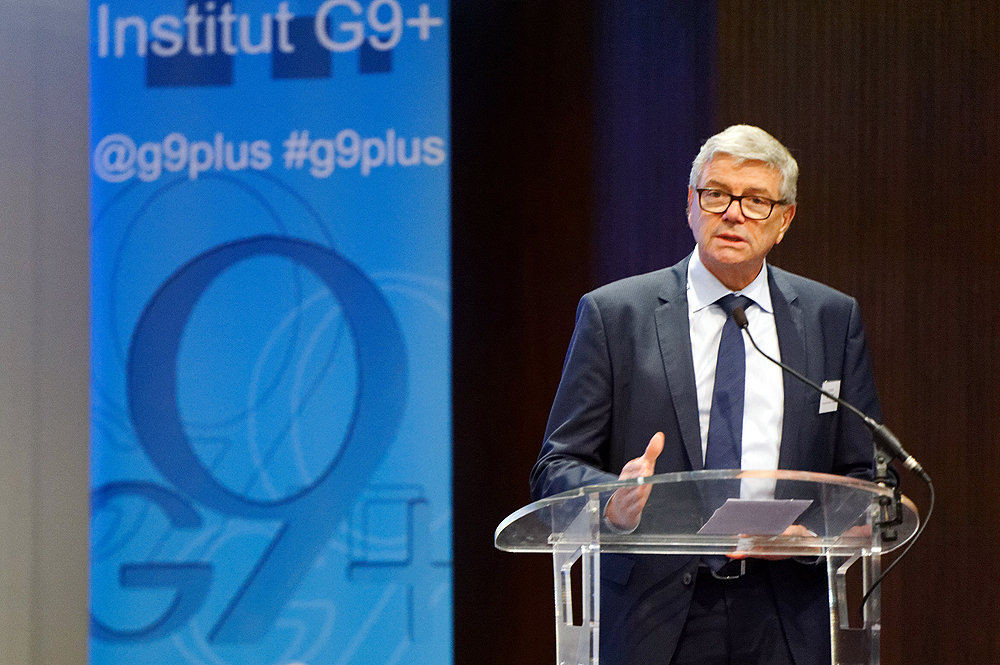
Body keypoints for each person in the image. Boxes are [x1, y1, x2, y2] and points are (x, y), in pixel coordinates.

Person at [529, 125, 882, 665]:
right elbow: (555, 467)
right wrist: (612, 499)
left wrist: (809, 536)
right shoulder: (616, 314)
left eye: (757, 201)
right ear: (690, 205)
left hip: (786, 611)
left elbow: (863, 476)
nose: (734, 214)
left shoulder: (830, 319)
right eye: (716, 194)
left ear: (785, 219)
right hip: (653, 615)